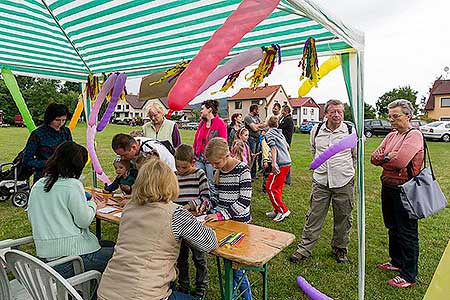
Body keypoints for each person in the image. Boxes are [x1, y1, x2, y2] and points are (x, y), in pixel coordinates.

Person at [97, 159, 218, 300]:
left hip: (108, 291)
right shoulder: (175, 213)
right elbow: (209, 242)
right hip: (143, 295)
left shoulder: (129, 207)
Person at [27, 141, 114, 279]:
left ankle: (90, 290)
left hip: (47, 258)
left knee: (108, 244)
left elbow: (32, 217)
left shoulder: (39, 184)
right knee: (122, 255)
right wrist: (93, 204)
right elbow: (84, 221)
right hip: (73, 259)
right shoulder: (72, 185)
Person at [290, 99, 356, 264]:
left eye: (339, 111)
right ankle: (304, 249)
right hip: (321, 180)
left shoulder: (350, 130)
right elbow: (314, 150)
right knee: (314, 216)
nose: (336, 115)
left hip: (344, 180)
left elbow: (355, 155)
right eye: (333, 111)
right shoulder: (316, 129)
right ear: (326, 113)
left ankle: (340, 249)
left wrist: (344, 169)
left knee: (344, 217)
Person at [370, 99, 424, 288]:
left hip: (406, 190)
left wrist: (384, 159)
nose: (391, 120)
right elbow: (373, 158)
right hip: (389, 186)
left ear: (408, 115)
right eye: (390, 116)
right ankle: (396, 262)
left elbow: (400, 162)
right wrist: (386, 157)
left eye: (396, 116)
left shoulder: (414, 135)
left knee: (407, 231)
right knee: (392, 226)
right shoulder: (392, 135)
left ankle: (409, 275)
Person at [203, 137, 252, 300]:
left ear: (227, 155)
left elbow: (244, 201)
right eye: (212, 164)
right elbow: (216, 198)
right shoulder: (220, 171)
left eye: (216, 163)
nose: (213, 166)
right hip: (224, 223)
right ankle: (233, 295)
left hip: (240, 225)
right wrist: (208, 206)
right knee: (229, 265)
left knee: (237, 268)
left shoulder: (242, 169)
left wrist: (219, 215)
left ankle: (244, 297)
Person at [174, 144, 210, 299]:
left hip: (194, 224)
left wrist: (192, 205)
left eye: (184, 167)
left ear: (193, 162)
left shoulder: (199, 174)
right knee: (181, 258)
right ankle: (184, 286)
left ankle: (201, 286)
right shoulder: (173, 176)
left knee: (199, 257)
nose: (181, 171)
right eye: (178, 167)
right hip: (178, 224)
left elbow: (206, 198)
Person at [23, 102, 72, 183]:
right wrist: (49, 163)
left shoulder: (66, 131)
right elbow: (27, 161)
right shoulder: (37, 134)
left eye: (64, 120)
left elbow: (71, 152)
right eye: (57, 120)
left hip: (64, 176)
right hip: (43, 178)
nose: (60, 123)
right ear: (49, 118)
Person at [193, 100, 227, 195]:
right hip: (199, 157)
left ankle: (213, 202)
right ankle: (202, 201)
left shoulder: (220, 124)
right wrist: (194, 152)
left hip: (211, 159)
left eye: (202, 109)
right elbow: (196, 139)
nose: (201, 111)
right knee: (200, 181)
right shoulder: (202, 123)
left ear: (209, 110)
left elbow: (223, 141)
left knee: (211, 183)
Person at [264, 116, 291, 222]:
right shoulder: (280, 133)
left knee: (270, 188)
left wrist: (274, 163)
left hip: (280, 164)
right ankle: (276, 209)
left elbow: (273, 147)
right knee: (277, 188)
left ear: (268, 123)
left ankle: (282, 210)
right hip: (286, 162)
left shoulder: (270, 134)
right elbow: (287, 146)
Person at [111, 133, 176, 171]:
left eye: (124, 155)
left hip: (168, 174)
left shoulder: (150, 152)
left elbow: (152, 177)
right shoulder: (131, 143)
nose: (122, 158)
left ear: (134, 147)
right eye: (119, 155)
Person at [244, 104, 265, 178]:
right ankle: (248, 174)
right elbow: (254, 129)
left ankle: (253, 174)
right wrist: (259, 126)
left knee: (256, 157)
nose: (259, 111)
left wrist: (257, 126)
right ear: (254, 110)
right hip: (251, 139)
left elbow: (263, 125)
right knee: (251, 156)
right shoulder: (248, 118)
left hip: (258, 138)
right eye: (258, 110)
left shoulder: (257, 117)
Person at [278, 105, 294, 185]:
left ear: (286, 111)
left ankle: (287, 180)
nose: (281, 112)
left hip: (285, 142)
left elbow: (279, 127)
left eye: (282, 110)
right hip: (284, 142)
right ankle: (284, 178)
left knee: (285, 161)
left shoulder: (288, 119)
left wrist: (279, 118)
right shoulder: (287, 119)